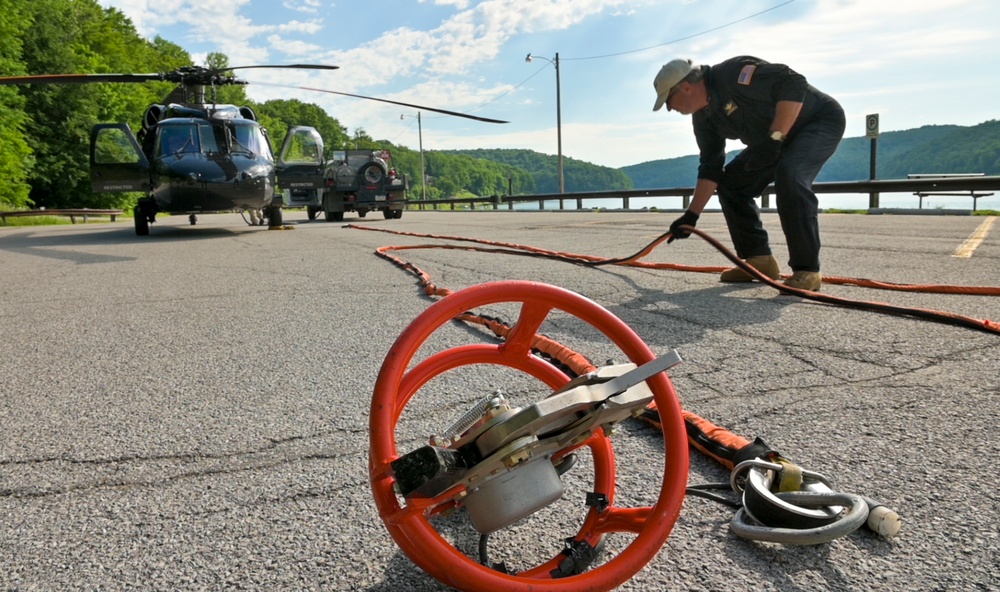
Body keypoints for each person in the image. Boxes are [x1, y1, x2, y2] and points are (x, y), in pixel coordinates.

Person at [654, 56, 845, 291]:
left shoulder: (735, 73)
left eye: (668, 101)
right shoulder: (703, 117)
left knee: (791, 175)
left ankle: (808, 271)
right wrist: (691, 216)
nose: (670, 108)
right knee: (732, 184)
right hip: (774, 140)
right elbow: (711, 166)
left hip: (816, 122)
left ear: (685, 86)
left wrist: (775, 138)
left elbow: (794, 83)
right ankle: (759, 260)